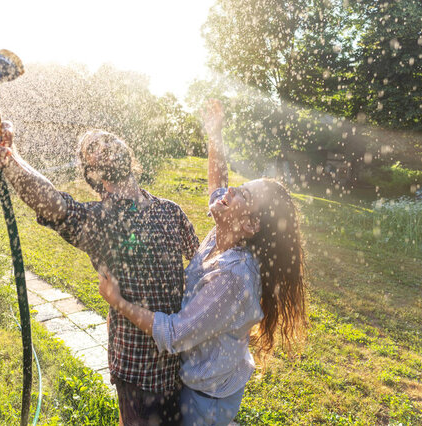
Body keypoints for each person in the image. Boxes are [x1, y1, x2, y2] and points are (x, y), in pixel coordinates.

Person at [0, 123, 199, 425]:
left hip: (184, 369)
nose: (103, 144)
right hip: (142, 378)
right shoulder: (100, 222)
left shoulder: (170, 211)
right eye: (92, 147)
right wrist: (9, 158)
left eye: (108, 138)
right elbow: (54, 205)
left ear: (126, 151)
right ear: (92, 174)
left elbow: (204, 264)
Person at [99, 100, 308, 426]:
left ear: (252, 226)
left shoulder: (233, 278)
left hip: (206, 399)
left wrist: (118, 302)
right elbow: (218, 183)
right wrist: (215, 133)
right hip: (204, 379)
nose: (232, 190)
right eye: (241, 186)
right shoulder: (224, 232)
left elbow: (175, 334)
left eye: (244, 195)